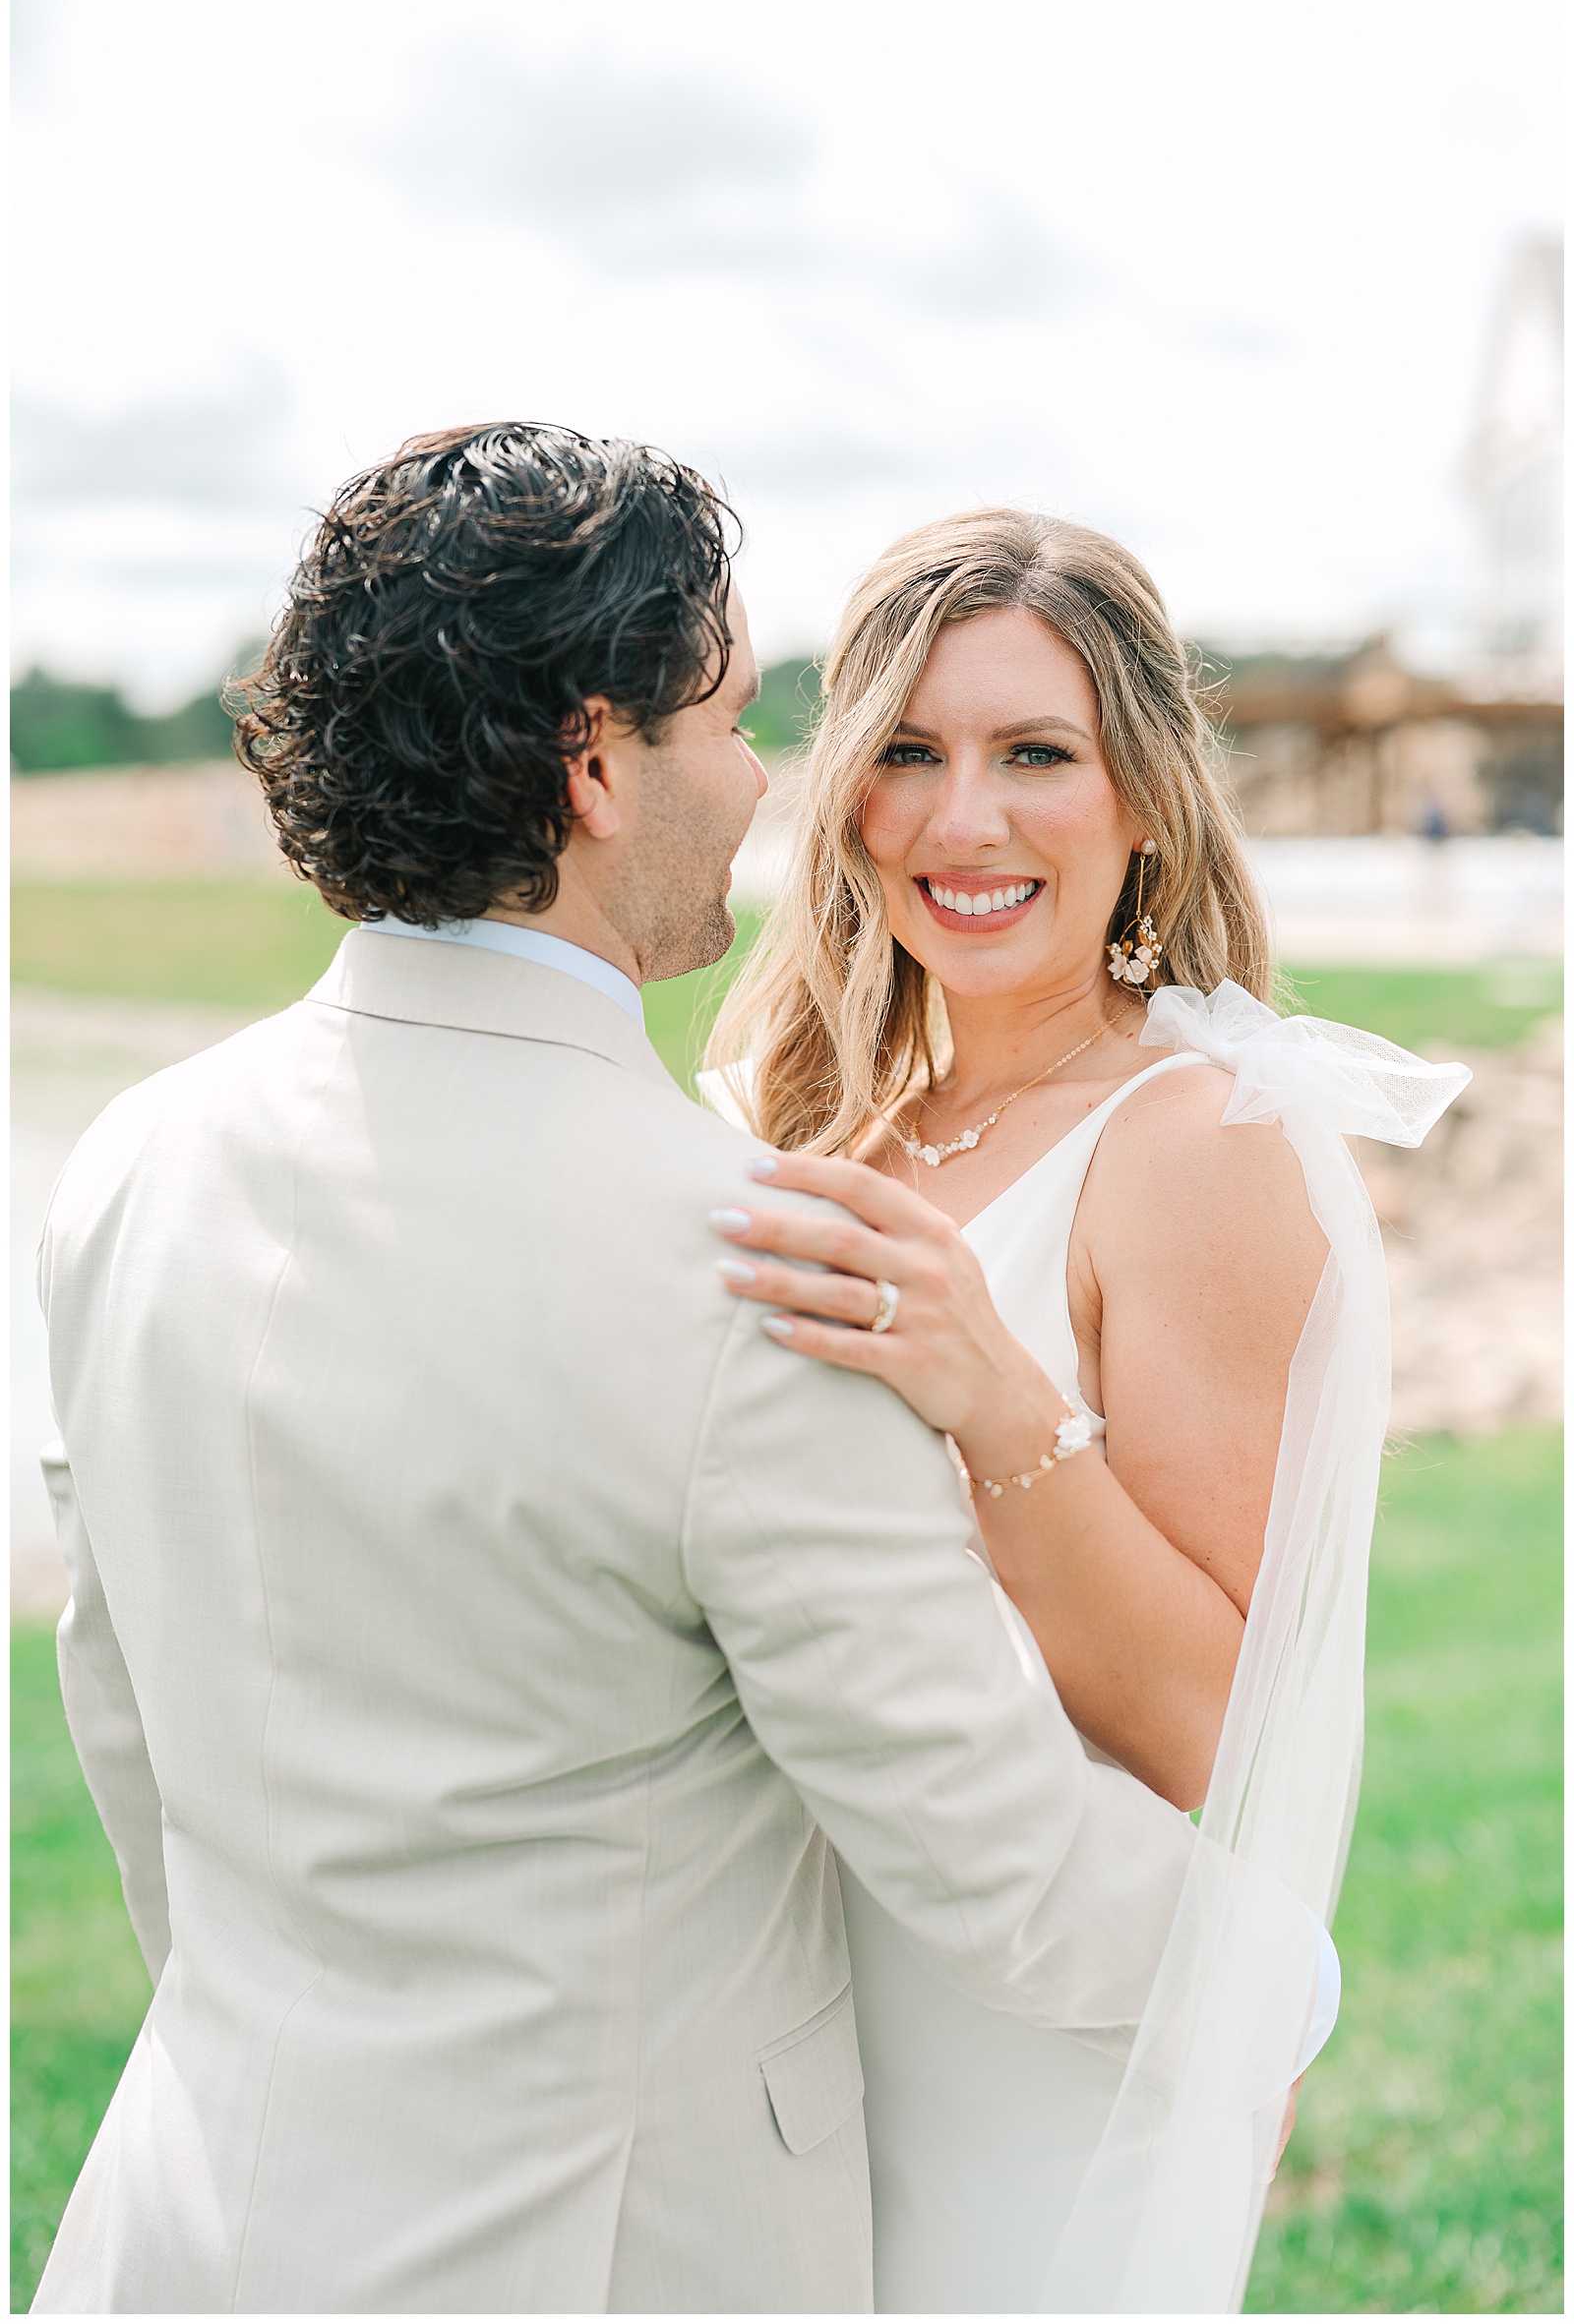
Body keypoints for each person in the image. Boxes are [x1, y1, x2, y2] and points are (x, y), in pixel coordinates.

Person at [30, 427, 1264, 2316]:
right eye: (723, 714)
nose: (768, 768)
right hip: (595, 2257)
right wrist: (1279, 1970)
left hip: (189, 2213)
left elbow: (120, 1711)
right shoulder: (755, 1270)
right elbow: (996, 1853)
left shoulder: (131, 1164)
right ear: (600, 765)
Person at [703, 509, 1470, 2312]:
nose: (963, 819)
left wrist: (994, 1394)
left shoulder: (1196, 1141)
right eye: (908, 750)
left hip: (1028, 2045)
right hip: (773, 2009)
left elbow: (1227, 1726)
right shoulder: (815, 1129)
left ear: (1142, 799)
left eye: (1034, 753)